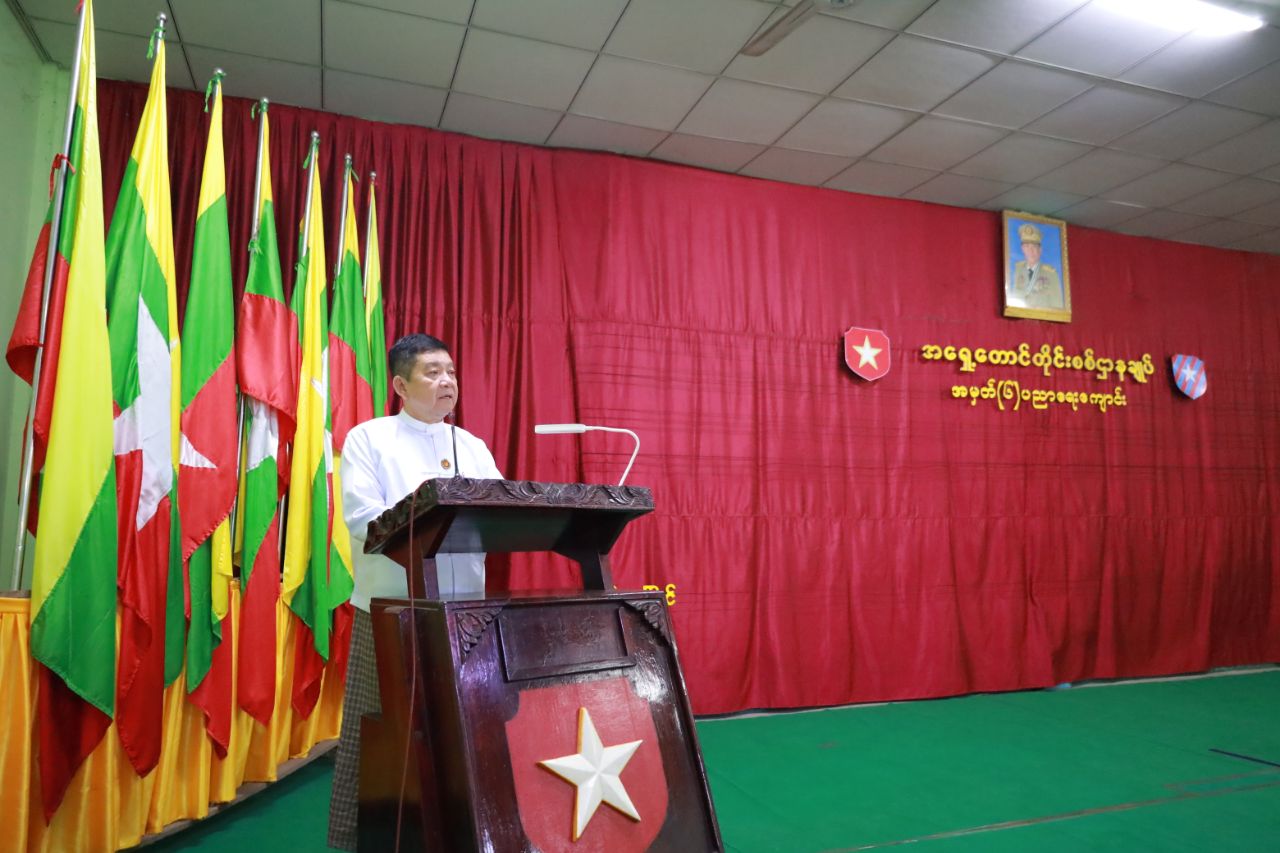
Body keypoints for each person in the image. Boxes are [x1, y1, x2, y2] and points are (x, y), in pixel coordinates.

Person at [327, 333, 502, 852]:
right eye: (432, 372)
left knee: (460, 728)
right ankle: (359, 838)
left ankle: (463, 832)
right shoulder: (369, 439)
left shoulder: (472, 446)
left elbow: (500, 512)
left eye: (451, 371)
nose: (447, 381)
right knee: (376, 730)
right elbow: (364, 519)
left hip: (463, 614)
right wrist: (432, 516)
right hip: (391, 612)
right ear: (401, 386)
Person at [1009, 222, 1063, 310]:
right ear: (1022, 249)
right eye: (1027, 246)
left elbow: (1057, 306)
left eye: (1034, 246)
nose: (1031, 251)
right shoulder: (1018, 270)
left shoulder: (1051, 273)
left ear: (1040, 250)